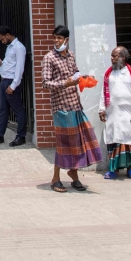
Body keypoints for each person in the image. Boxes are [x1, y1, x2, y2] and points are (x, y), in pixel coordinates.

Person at [42, 25, 102, 192]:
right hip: (61, 107)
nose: (56, 41)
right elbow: (45, 83)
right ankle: (55, 179)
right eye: (54, 37)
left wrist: (84, 78)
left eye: (59, 38)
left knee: (78, 142)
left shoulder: (71, 56)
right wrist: (66, 83)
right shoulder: (49, 58)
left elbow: (75, 73)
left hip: (75, 104)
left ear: (66, 40)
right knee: (63, 144)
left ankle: (73, 175)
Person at [98, 46, 131, 179]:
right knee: (113, 140)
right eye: (112, 56)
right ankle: (113, 170)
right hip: (112, 113)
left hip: (128, 113)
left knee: (129, 141)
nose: (112, 59)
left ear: (123, 57)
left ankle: (130, 169)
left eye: (115, 56)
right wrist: (101, 109)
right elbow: (103, 92)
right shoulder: (108, 74)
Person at [0, 25, 27, 147]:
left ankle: (21, 136)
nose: (2, 41)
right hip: (4, 81)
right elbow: (10, 64)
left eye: (2, 39)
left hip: (11, 82)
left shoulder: (19, 47)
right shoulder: (10, 47)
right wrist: (1, 63)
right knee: (2, 111)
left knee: (18, 110)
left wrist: (14, 85)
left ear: (8, 35)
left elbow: (20, 68)